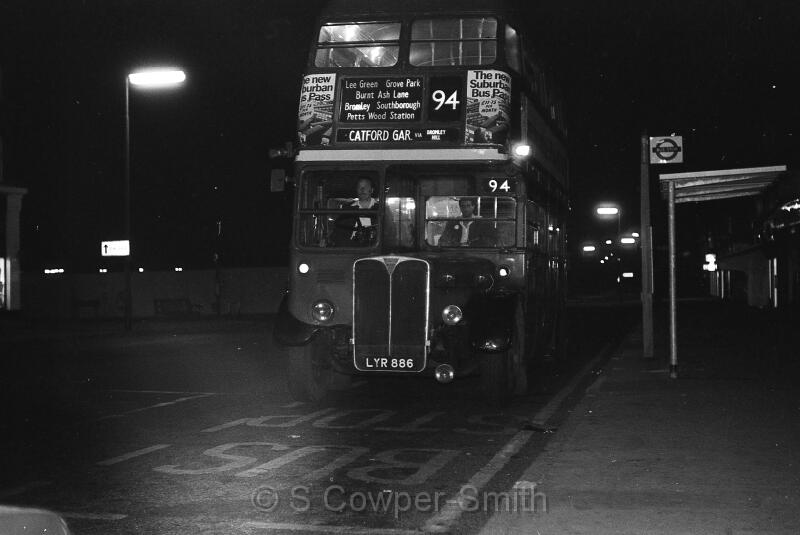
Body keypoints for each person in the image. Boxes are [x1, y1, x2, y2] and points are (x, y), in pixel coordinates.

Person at [333, 177, 379, 245]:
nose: (362, 190)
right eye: (359, 187)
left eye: (365, 187)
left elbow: (390, 232)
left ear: (372, 190)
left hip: (374, 249)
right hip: (352, 249)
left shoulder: (381, 209)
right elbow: (339, 233)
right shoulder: (348, 210)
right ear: (356, 190)